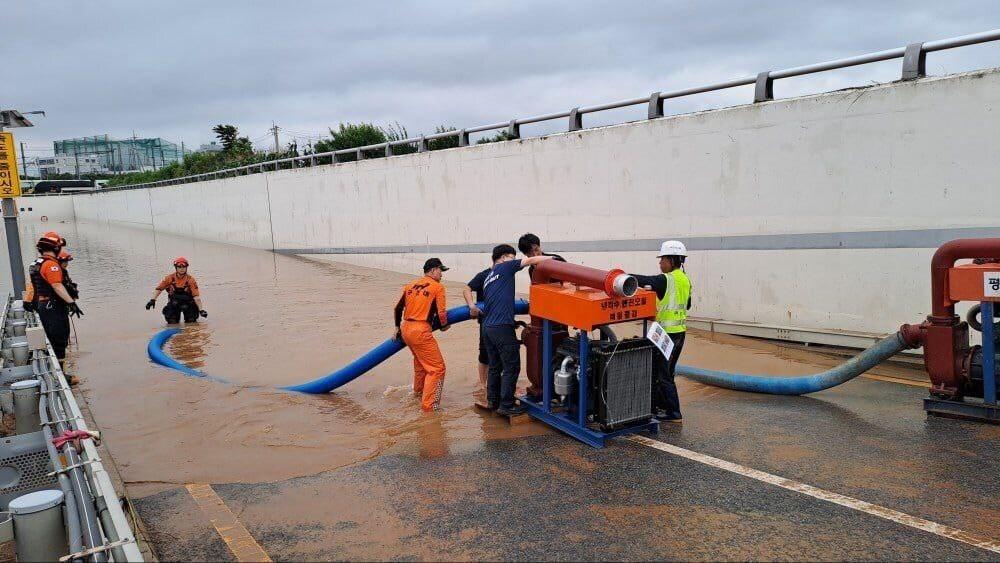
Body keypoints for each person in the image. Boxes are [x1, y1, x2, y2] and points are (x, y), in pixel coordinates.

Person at [481, 244, 552, 415]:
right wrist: (554, 259)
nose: (515, 260)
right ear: (504, 257)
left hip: (488, 328)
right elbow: (532, 260)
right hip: (501, 328)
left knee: (495, 366)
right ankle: (507, 405)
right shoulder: (506, 266)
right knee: (511, 366)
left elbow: (497, 302)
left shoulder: (489, 276)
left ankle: (493, 401)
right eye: (513, 256)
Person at [630, 240, 691, 422]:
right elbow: (687, 305)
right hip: (680, 332)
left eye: (662, 259)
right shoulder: (685, 280)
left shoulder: (666, 279)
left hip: (666, 334)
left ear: (671, 260)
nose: (660, 263)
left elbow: (646, 280)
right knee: (667, 371)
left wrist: (623, 276)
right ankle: (662, 405)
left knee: (663, 374)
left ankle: (674, 413)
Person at [394, 258, 451, 412]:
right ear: (433, 270)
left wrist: (396, 327)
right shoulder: (437, 287)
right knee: (438, 369)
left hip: (406, 329)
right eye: (440, 271)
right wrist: (445, 325)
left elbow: (398, 308)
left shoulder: (410, 285)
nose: (442, 275)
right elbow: (441, 312)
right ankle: (430, 408)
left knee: (420, 363)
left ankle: (418, 394)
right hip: (420, 330)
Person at [25, 231, 83, 367]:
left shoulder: (36, 263)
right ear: (55, 248)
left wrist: (29, 301)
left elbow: (33, 286)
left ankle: (57, 368)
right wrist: (72, 303)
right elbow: (57, 286)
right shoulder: (51, 265)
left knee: (53, 338)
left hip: (44, 306)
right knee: (59, 339)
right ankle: (61, 372)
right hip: (53, 307)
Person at [146, 257, 207, 324]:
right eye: (179, 267)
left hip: (188, 303)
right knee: (172, 321)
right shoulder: (169, 278)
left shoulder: (191, 280)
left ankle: (190, 332)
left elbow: (196, 297)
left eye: (184, 267)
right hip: (174, 303)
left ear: (186, 268)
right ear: (176, 268)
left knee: (191, 321)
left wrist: (201, 310)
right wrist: (152, 300)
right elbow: (159, 289)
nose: (182, 269)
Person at [462, 265, 491, 398]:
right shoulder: (484, 275)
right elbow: (467, 289)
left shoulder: (507, 274)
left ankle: (495, 382)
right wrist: (472, 306)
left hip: (503, 320)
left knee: (501, 353)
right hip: (486, 321)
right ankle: (482, 384)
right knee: (484, 354)